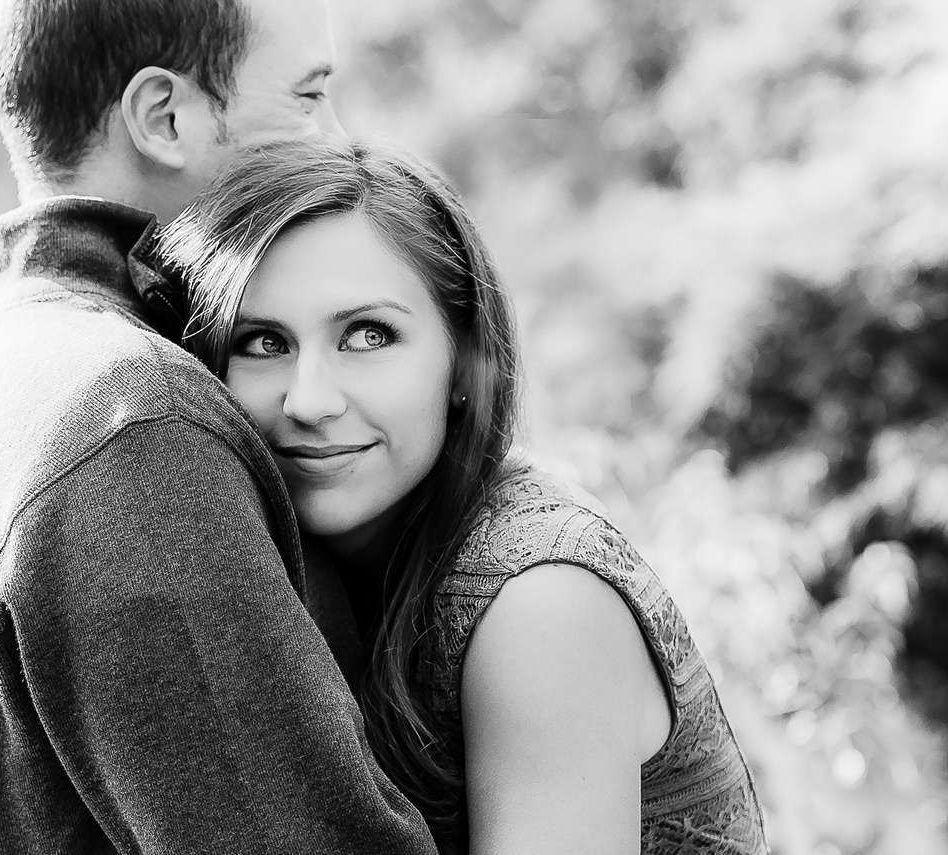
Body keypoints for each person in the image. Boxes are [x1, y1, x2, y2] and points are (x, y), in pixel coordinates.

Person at [0, 1, 438, 853]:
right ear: (165, 117)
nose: (341, 142)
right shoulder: (132, 423)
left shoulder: (3, 367)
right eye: (308, 98)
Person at [159, 138, 771, 854]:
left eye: (368, 334)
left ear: (463, 360)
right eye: (263, 342)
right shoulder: (292, 563)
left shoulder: (540, 601)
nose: (311, 399)